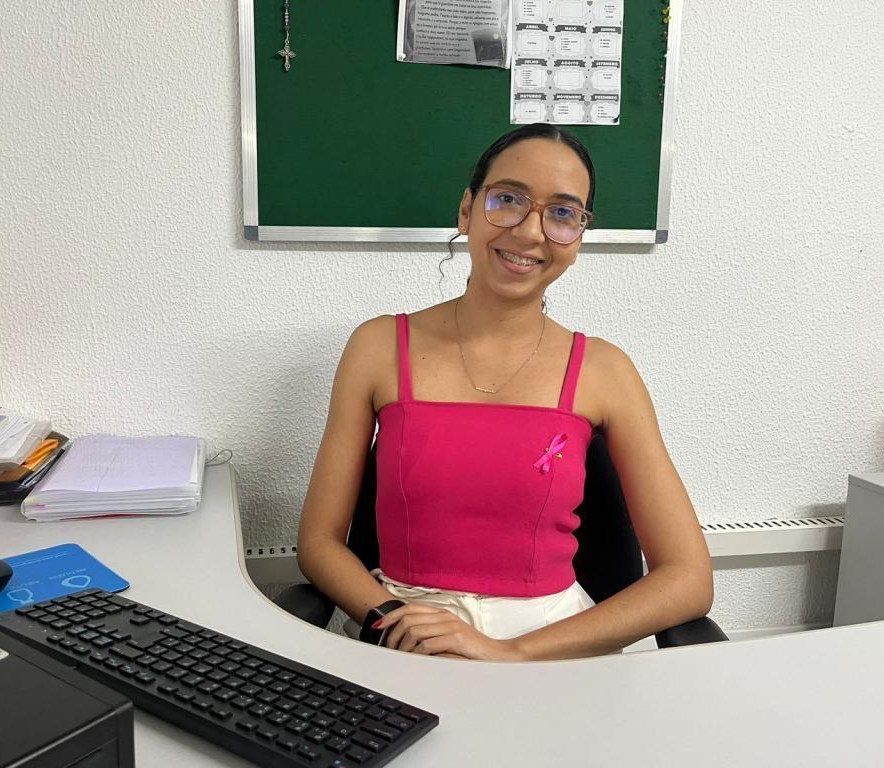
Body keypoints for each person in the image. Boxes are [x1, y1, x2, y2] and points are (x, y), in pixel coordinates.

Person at [297, 123, 713, 661]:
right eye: (509, 199)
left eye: (562, 212)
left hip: (549, 651)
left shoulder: (607, 371)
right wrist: (393, 621)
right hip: (404, 640)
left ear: (578, 238)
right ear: (467, 210)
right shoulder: (376, 347)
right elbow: (319, 543)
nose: (531, 231)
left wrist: (512, 651)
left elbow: (688, 578)